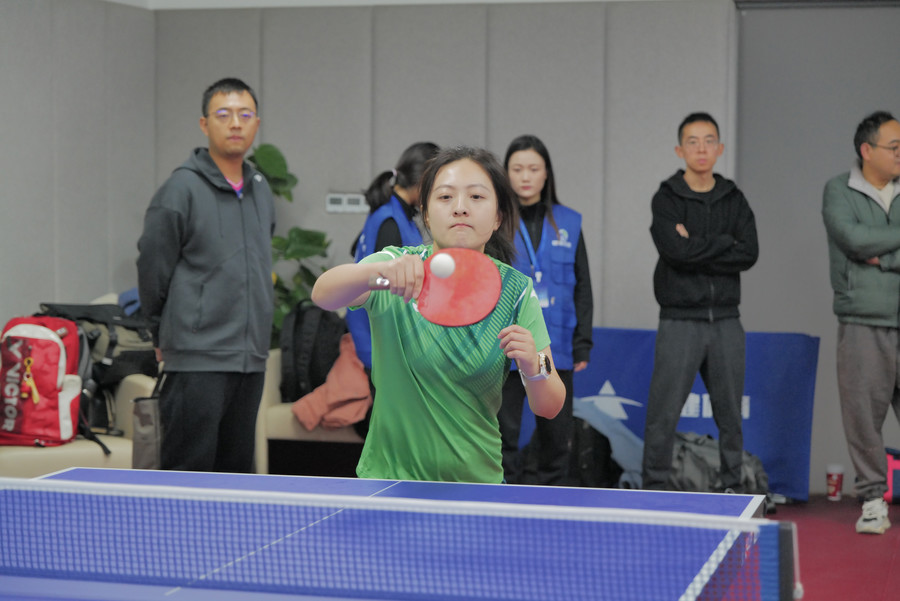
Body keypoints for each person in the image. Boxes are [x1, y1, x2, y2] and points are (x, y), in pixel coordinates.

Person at [312, 146, 566, 483]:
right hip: (389, 484)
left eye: (476, 197)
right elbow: (323, 294)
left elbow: (549, 406)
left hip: (477, 486)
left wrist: (535, 367)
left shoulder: (515, 291)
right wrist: (376, 273)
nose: (460, 207)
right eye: (445, 197)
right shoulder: (395, 268)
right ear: (427, 214)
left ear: (498, 217)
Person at [136, 77, 275, 473]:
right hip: (196, 357)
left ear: (256, 123)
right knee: (188, 474)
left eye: (245, 114)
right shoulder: (180, 189)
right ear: (204, 124)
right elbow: (153, 266)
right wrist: (160, 332)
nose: (235, 123)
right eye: (224, 114)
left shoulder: (260, 188)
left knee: (237, 474)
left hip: (250, 358)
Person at [641, 112, 759, 494]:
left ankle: (733, 487)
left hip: (726, 320)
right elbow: (675, 252)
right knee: (663, 414)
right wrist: (724, 242)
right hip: (679, 320)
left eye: (709, 141)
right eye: (693, 141)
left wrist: (695, 245)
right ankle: (654, 489)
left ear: (720, 148)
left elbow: (749, 252)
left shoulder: (733, 199)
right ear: (680, 150)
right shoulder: (666, 198)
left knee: (731, 416)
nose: (701, 149)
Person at [497, 135, 593, 485]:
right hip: (505, 345)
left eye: (533, 169)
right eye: (517, 169)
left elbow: (583, 286)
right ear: (505, 173)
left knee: (556, 438)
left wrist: (582, 343)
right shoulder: (495, 223)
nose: (525, 176)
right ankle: (502, 502)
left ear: (546, 173)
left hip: (556, 347)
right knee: (503, 437)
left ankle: (554, 503)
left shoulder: (569, 222)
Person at [822, 110, 900, 535]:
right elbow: (853, 240)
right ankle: (872, 501)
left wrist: (882, 257)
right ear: (867, 151)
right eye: (894, 147)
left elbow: (869, 246)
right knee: (863, 418)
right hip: (861, 319)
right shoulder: (839, 190)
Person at [346, 143, 440, 436]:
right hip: (381, 340)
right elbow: (386, 289)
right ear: (423, 182)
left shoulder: (389, 213)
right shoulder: (389, 220)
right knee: (395, 432)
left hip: (380, 340)